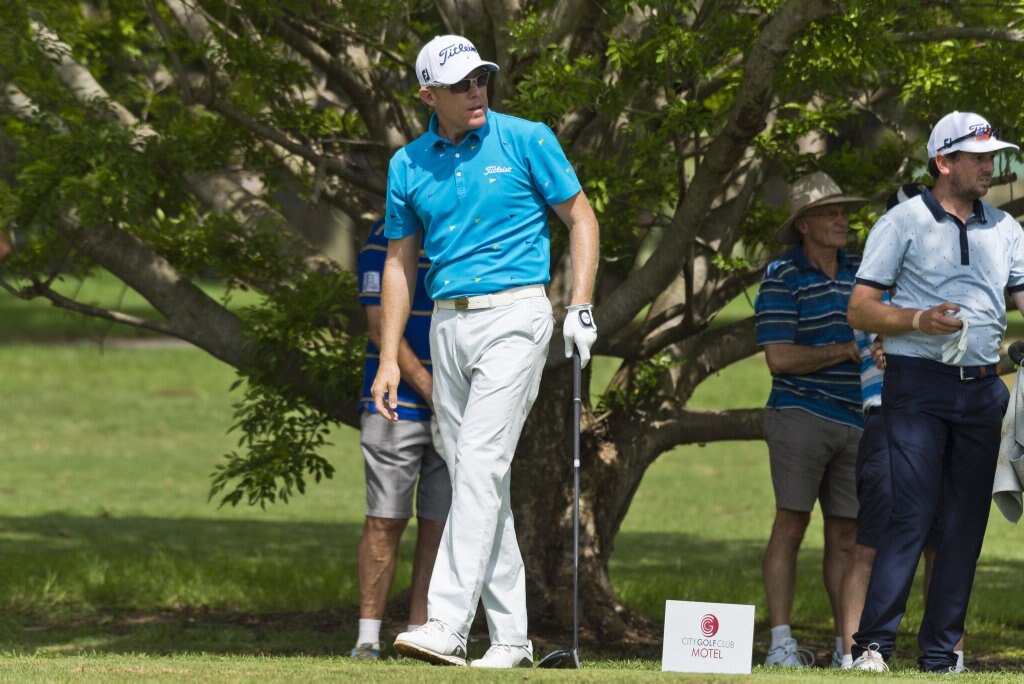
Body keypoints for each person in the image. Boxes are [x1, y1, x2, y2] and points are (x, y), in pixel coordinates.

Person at [370, 34, 599, 669]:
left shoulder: (526, 139)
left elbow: (581, 218)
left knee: (476, 461)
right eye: (461, 83)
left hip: (517, 316)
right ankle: (512, 640)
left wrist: (579, 303)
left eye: (481, 78)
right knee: (483, 478)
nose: (476, 91)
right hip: (447, 323)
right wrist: (391, 357)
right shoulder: (408, 164)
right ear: (428, 95)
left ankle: (444, 621)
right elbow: (398, 262)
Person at [848, 111, 1024, 673]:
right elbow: (861, 307)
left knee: (966, 524)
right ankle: (872, 645)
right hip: (918, 384)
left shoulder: (1007, 227)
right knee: (912, 513)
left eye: (992, 157)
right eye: (978, 157)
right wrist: (919, 319)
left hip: (983, 390)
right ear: (943, 162)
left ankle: (940, 654)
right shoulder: (901, 223)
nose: (990, 166)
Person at [837, 184, 966, 672]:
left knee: (943, 542)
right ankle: (855, 654)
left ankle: (944, 653)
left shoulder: (952, 278)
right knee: (872, 541)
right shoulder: (876, 283)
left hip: (946, 419)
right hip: (888, 417)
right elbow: (875, 336)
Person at [754, 171, 867, 668]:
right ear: (803, 224)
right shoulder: (783, 275)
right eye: (830, 212)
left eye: (843, 210)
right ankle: (781, 644)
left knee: (847, 536)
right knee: (792, 525)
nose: (842, 218)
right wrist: (845, 349)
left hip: (858, 418)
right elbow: (779, 358)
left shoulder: (864, 272)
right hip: (800, 413)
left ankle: (850, 649)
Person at [349, 219, 450, 660]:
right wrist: (433, 391)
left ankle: (418, 633)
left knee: (439, 525)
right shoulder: (383, 236)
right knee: (385, 520)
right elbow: (378, 327)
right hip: (396, 406)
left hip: (458, 409)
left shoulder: (466, 229)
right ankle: (367, 639)